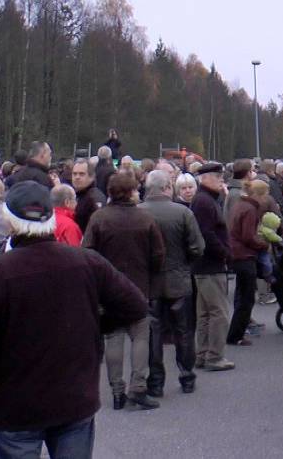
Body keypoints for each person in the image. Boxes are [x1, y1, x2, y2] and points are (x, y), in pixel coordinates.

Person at [0, 181, 148, 458]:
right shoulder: (86, 262)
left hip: (16, 402)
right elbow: (135, 305)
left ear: (8, 221)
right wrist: (94, 327)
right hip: (73, 396)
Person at [83, 171, 166, 411]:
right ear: (131, 192)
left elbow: (88, 252)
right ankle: (138, 387)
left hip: (107, 287)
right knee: (141, 336)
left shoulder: (98, 219)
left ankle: (116, 390)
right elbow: (158, 255)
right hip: (139, 285)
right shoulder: (145, 219)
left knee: (113, 337)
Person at [139, 170, 205, 396]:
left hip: (149, 282)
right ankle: (187, 377)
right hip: (179, 278)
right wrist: (185, 263)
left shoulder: (138, 213)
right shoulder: (182, 213)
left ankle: (155, 382)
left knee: (152, 333)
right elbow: (198, 247)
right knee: (183, 332)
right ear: (168, 187)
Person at [190, 162, 235, 372]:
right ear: (204, 178)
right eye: (217, 177)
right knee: (219, 312)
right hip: (210, 265)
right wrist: (225, 253)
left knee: (206, 312)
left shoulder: (205, 200)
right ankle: (214, 356)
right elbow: (207, 234)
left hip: (205, 265)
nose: (221, 181)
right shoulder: (204, 202)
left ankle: (203, 353)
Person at [227, 179, 273, 346]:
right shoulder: (250, 209)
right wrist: (263, 243)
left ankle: (235, 331)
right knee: (246, 298)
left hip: (236, 254)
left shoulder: (240, 205)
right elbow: (248, 236)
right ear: (260, 195)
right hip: (244, 255)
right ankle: (236, 334)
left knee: (241, 295)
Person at [70, 158, 105, 233]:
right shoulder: (77, 195)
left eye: (81, 174)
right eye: (74, 174)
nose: (77, 177)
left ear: (91, 177)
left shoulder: (94, 198)